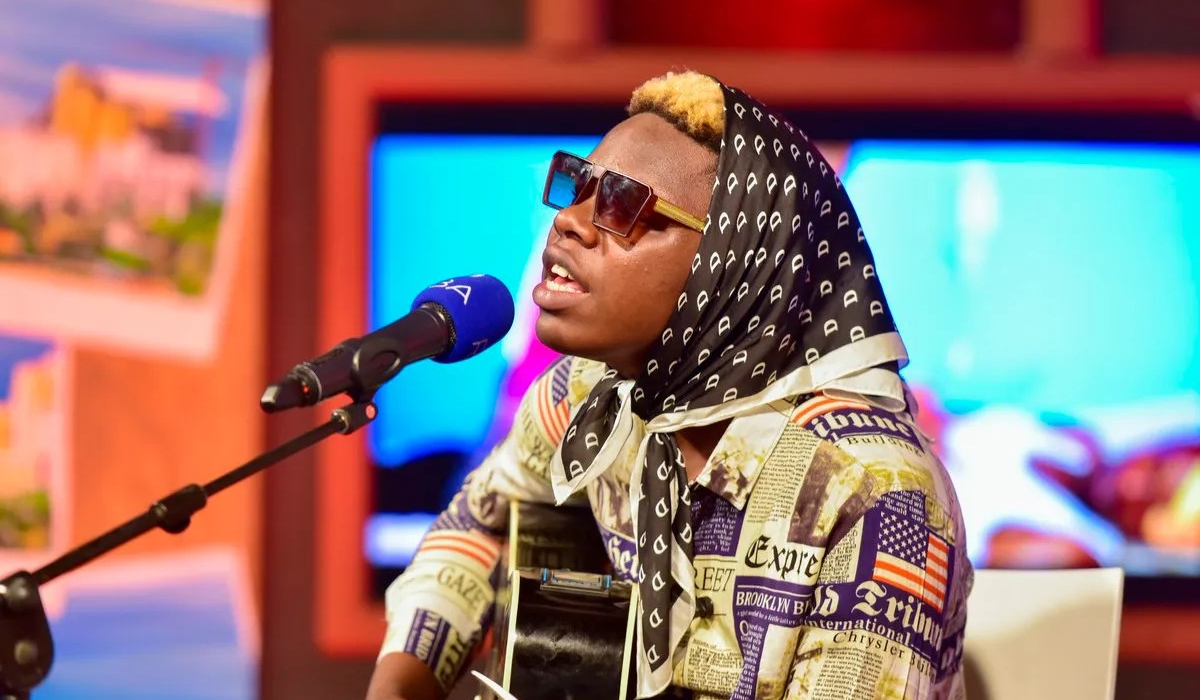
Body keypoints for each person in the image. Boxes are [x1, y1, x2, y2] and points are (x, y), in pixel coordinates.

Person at [365, 70, 972, 700]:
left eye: (621, 204)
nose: (567, 221)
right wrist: (401, 686)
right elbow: (478, 523)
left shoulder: (875, 490)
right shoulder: (588, 395)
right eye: (575, 185)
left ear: (728, 263)